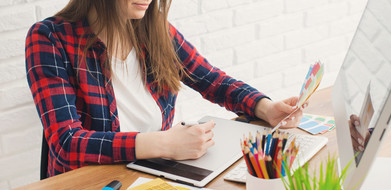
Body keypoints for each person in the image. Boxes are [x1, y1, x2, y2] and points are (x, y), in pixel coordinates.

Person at [26, 0, 305, 178]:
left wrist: (266, 108)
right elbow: (66, 143)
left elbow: (212, 80)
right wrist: (166, 144)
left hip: (152, 178)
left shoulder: (153, 30)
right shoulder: (50, 38)